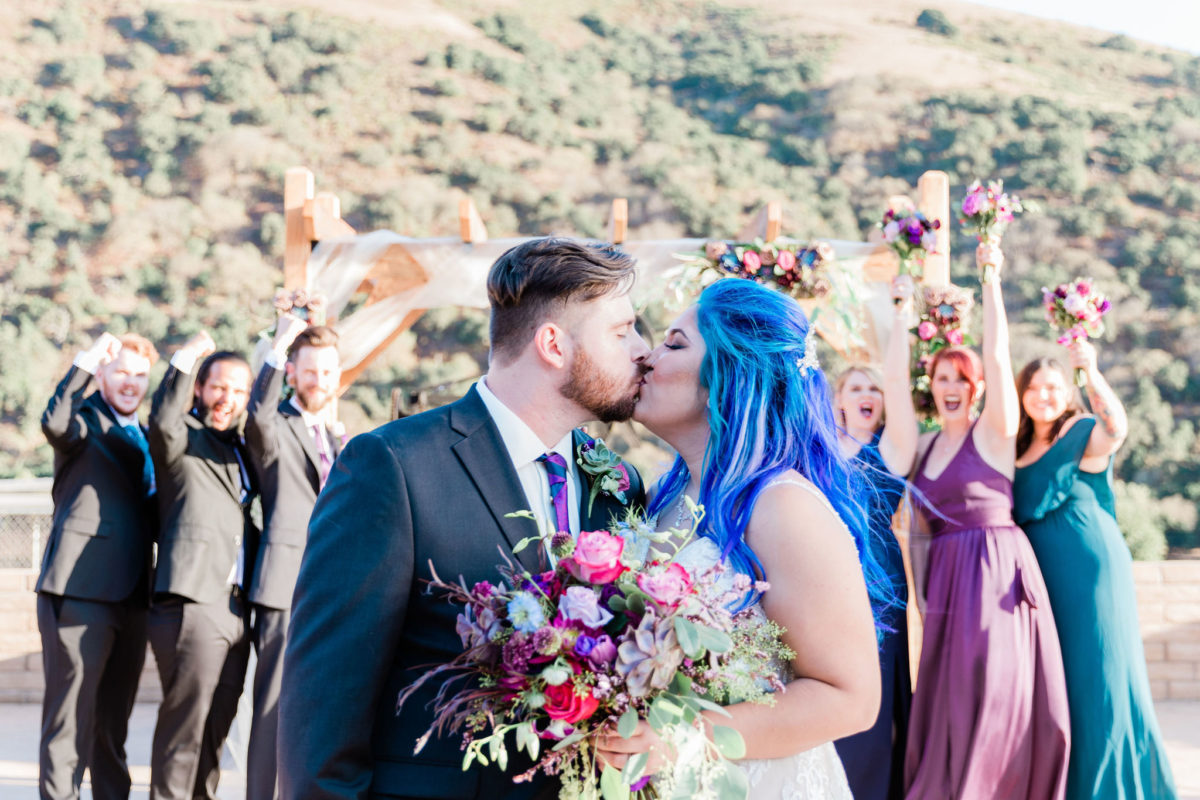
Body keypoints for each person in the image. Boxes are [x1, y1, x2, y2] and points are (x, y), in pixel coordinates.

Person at [278, 238, 651, 800]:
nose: (642, 349)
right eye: (622, 332)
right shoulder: (393, 466)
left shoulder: (619, 484)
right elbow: (324, 701)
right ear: (553, 344)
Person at [598, 278, 887, 797]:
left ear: (729, 373)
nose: (647, 356)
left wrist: (684, 736)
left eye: (674, 343)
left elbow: (851, 698)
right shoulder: (664, 495)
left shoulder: (782, 505)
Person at [903, 243, 1070, 799]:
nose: (951, 388)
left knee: (999, 689)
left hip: (997, 572)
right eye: (941, 378)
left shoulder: (994, 433)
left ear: (975, 389)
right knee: (953, 698)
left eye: (961, 379)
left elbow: (998, 357)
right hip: (946, 585)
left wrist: (990, 274)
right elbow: (919, 532)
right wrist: (922, 597)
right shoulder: (924, 449)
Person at [1012, 345, 1177, 799]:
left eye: (1052, 387)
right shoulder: (1017, 445)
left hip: (1092, 571)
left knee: (1100, 675)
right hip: (1045, 580)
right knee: (1063, 683)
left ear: (1066, 391)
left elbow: (1116, 428)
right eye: (1033, 388)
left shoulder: (1082, 430)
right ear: (1021, 394)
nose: (1042, 395)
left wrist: (1090, 371)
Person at [37, 332, 159, 800]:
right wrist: (84, 363)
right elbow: (55, 420)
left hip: (134, 596)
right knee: (69, 723)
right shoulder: (83, 422)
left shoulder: (147, 436)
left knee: (112, 728)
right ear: (104, 374)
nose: (131, 382)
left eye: (140, 375)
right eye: (122, 371)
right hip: (81, 590)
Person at [147, 332, 258, 800]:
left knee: (217, 727)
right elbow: (162, 418)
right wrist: (185, 359)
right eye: (218, 387)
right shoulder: (180, 439)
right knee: (184, 729)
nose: (226, 398)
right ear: (199, 388)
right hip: (193, 601)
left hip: (237, 607)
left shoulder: (242, 449)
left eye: (237, 390)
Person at [243, 317, 344, 800]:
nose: (319, 380)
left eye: (327, 372)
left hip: (333, 588)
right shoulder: (275, 424)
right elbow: (255, 414)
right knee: (272, 708)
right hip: (285, 581)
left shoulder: (340, 437)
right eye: (310, 371)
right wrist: (279, 341)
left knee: (320, 706)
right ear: (292, 372)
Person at [831, 275, 917, 800]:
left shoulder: (893, 452)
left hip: (878, 584)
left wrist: (900, 312)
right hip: (822, 582)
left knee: (872, 702)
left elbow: (900, 380)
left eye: (874, 389)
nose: (868, 394)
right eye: (855, 387)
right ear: (837, 400)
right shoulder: (813, 455)